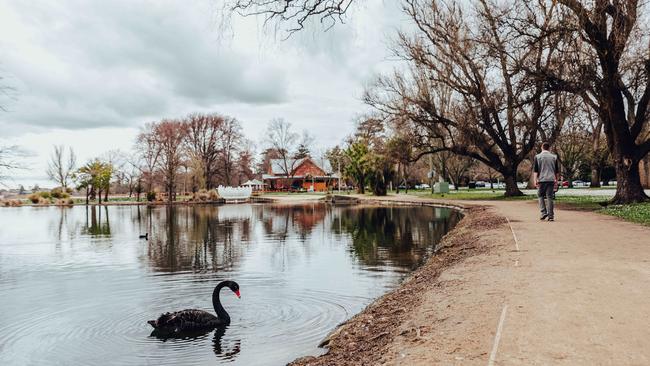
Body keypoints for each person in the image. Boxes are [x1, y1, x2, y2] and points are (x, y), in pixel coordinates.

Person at [533, 142, 560, 221]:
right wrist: (556, 181)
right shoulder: (554, 157)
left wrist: (535, 180)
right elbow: (556, 171)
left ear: (542, 147)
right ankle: (551, 216)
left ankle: (543, 212)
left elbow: (536, 170)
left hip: (542, 179)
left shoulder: (537, 157)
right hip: (551, 179)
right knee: (550, 197)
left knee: (540, 195)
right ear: (549, 148)